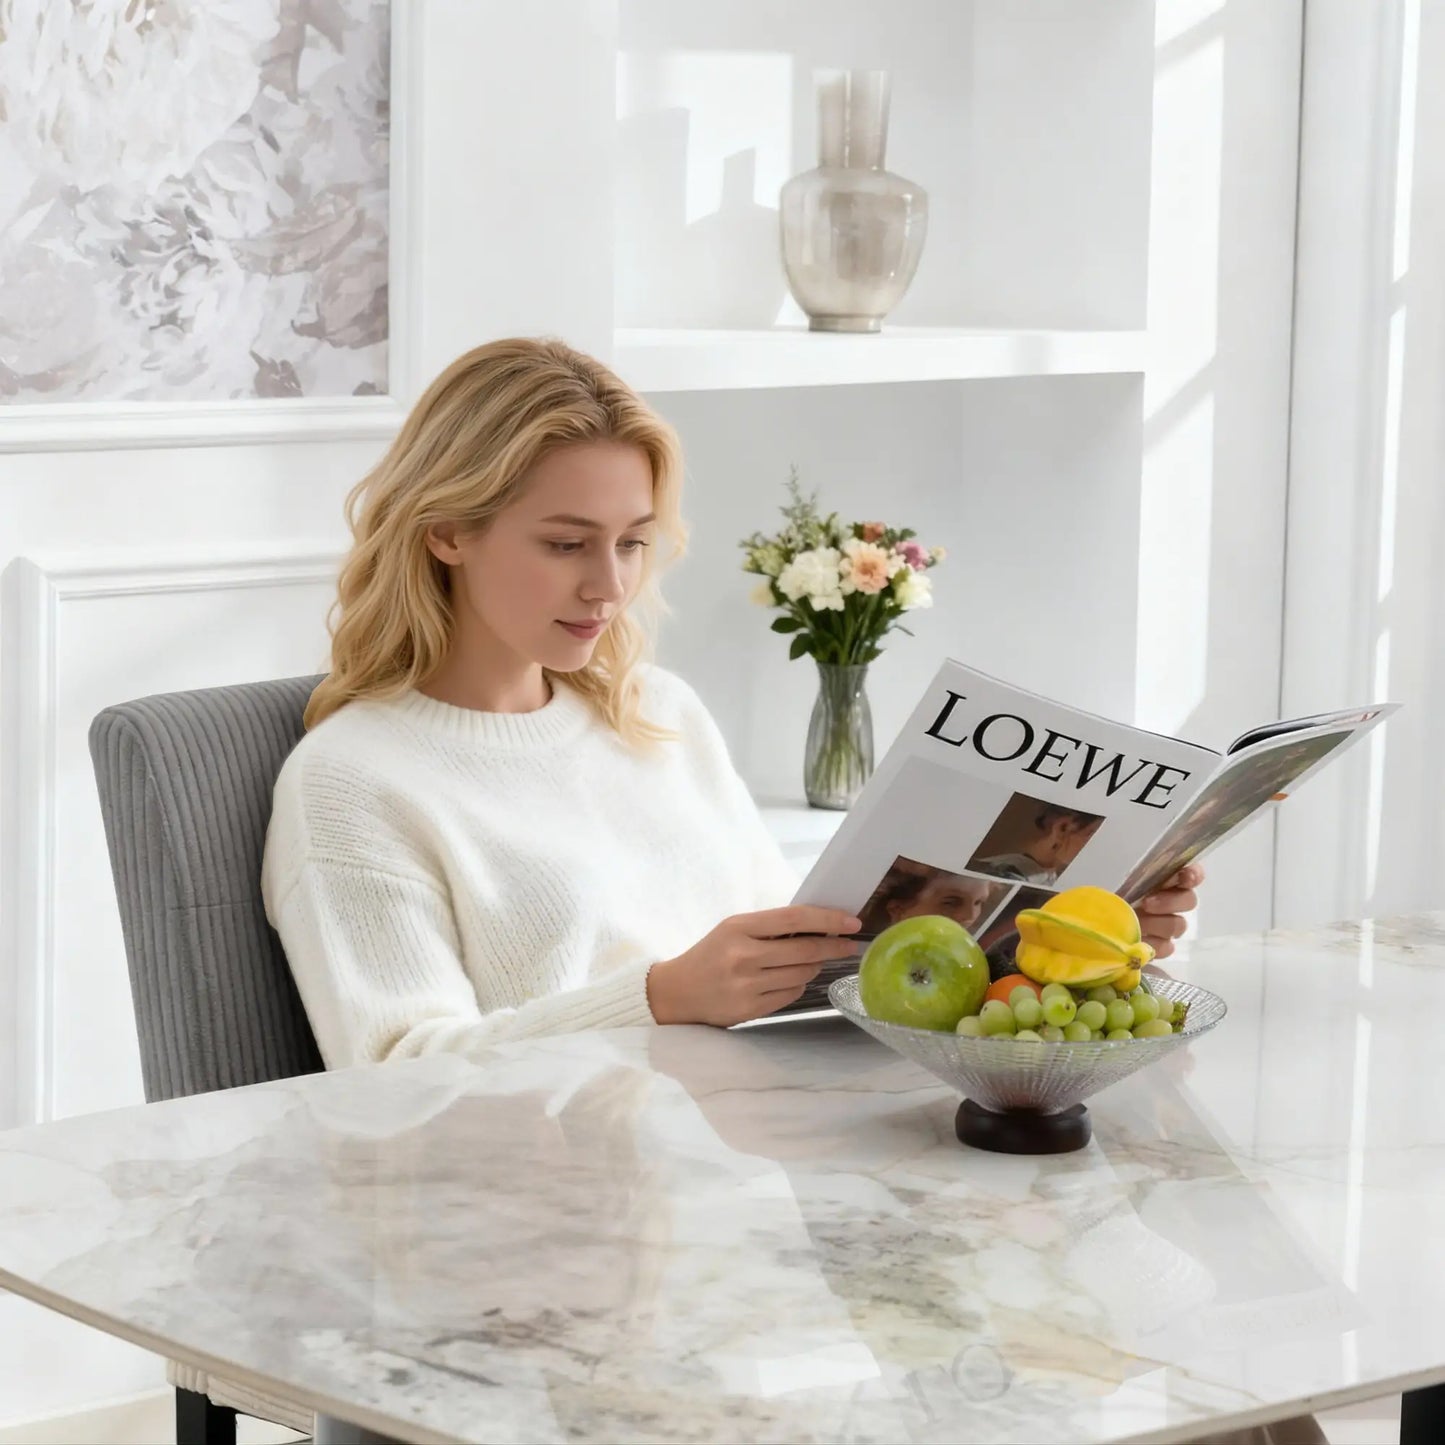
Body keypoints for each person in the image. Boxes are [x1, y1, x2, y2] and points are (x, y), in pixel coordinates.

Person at [261, 337, 1202, 1071]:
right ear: (447, 534)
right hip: (559, 1224)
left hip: (754, 1166)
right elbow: (389, 1077)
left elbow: (809, 972)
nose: (607, 586)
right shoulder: (354, 780)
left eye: (632, 542)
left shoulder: (659, 715)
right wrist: (660, 996)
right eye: (564, 543)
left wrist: (1069, 938)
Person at [973, 802, 1104, 886]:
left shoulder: (1049, 876)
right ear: (1062, 828)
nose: (1099, 846)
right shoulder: (1001, 874)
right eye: (1092, 834)